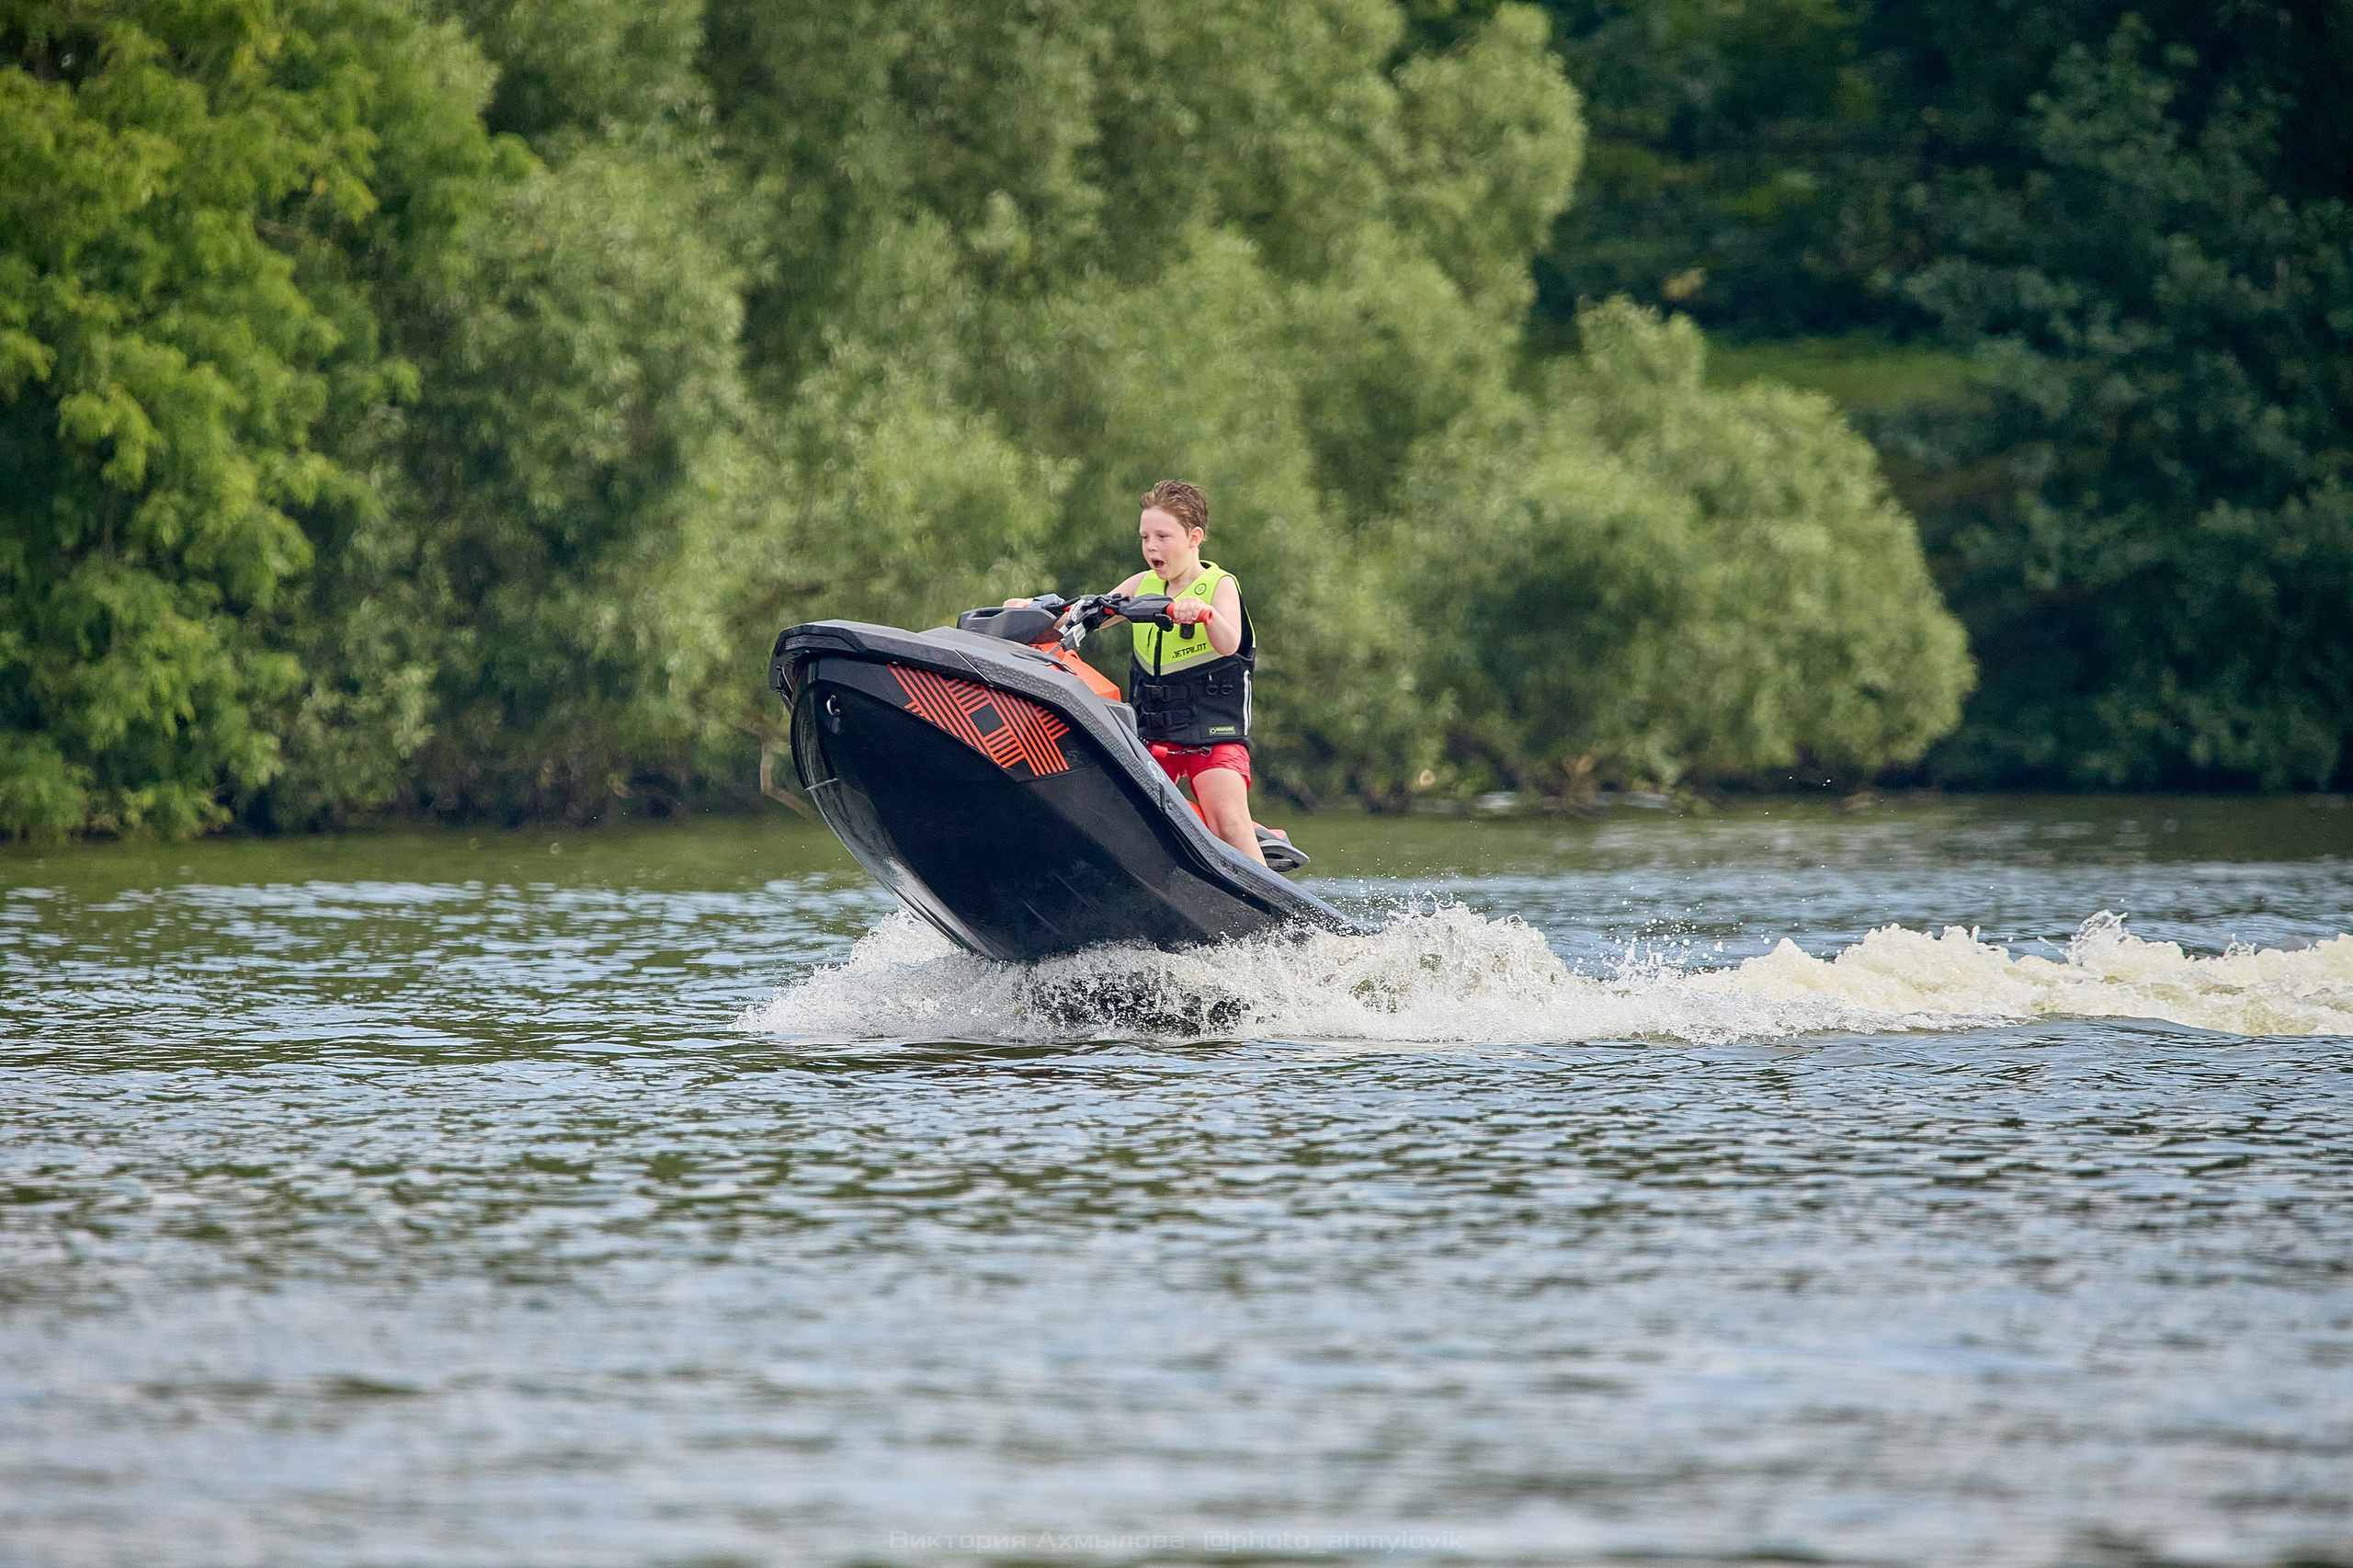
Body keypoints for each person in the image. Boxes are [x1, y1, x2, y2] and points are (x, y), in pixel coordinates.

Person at [1014, 480, 1267, 866]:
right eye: (1145, 537)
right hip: (1152, 739)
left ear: (1194, 537)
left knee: (1228, 822)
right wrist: (1030, 612)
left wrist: (1204, 614)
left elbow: (1229, 643)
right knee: (1113, 816)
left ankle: (1273, 918)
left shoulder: (1220, 585)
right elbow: (1085, 617)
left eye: (1163, 536)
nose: (1152, 546)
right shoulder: (1142, 585)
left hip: (1212, 737)